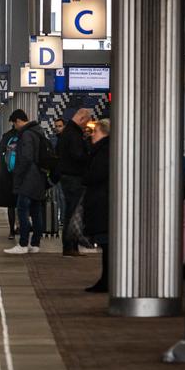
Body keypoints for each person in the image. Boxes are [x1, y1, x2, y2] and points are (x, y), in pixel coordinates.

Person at [4, 109, 48, 254]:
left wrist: (18, 173)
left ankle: (23, 244)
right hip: (38, 178)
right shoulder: (38, 131)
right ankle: (35, 244)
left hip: (28, 179)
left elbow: (26, 157)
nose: (15, 127)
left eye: (14, 124)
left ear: (18, 121)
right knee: (36, 211)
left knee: (22, 210)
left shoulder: (27, 134)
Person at [55, 108, 92, 256]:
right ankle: (70, 246)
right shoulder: (74, 134)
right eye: (87, 122)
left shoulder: (66, 133)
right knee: (73, 212)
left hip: (66, 177)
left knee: (70, 211)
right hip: (74, 177)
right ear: (82, 118)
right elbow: (78, 155)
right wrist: (88, 156)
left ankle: (70, 246)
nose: (86, 126)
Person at [82, 119, 111, 292]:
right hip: (103, 202)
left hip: (104, 203)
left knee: (107, 244)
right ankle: (106, 279)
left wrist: (86, 177)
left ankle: (107, 281)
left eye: (95, 132)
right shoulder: (104, 149)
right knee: (106, 244)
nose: (92, 135)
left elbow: (95, 175)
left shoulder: (104, 151)